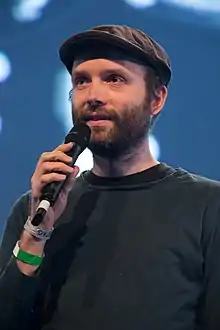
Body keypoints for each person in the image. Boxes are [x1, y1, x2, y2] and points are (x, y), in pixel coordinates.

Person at [0, 24, 220, 330]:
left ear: (156, 99)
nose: (93, 95)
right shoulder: (35, 211)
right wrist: (35, 237)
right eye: (81, 81)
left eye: (114, 79)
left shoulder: (208, 206)